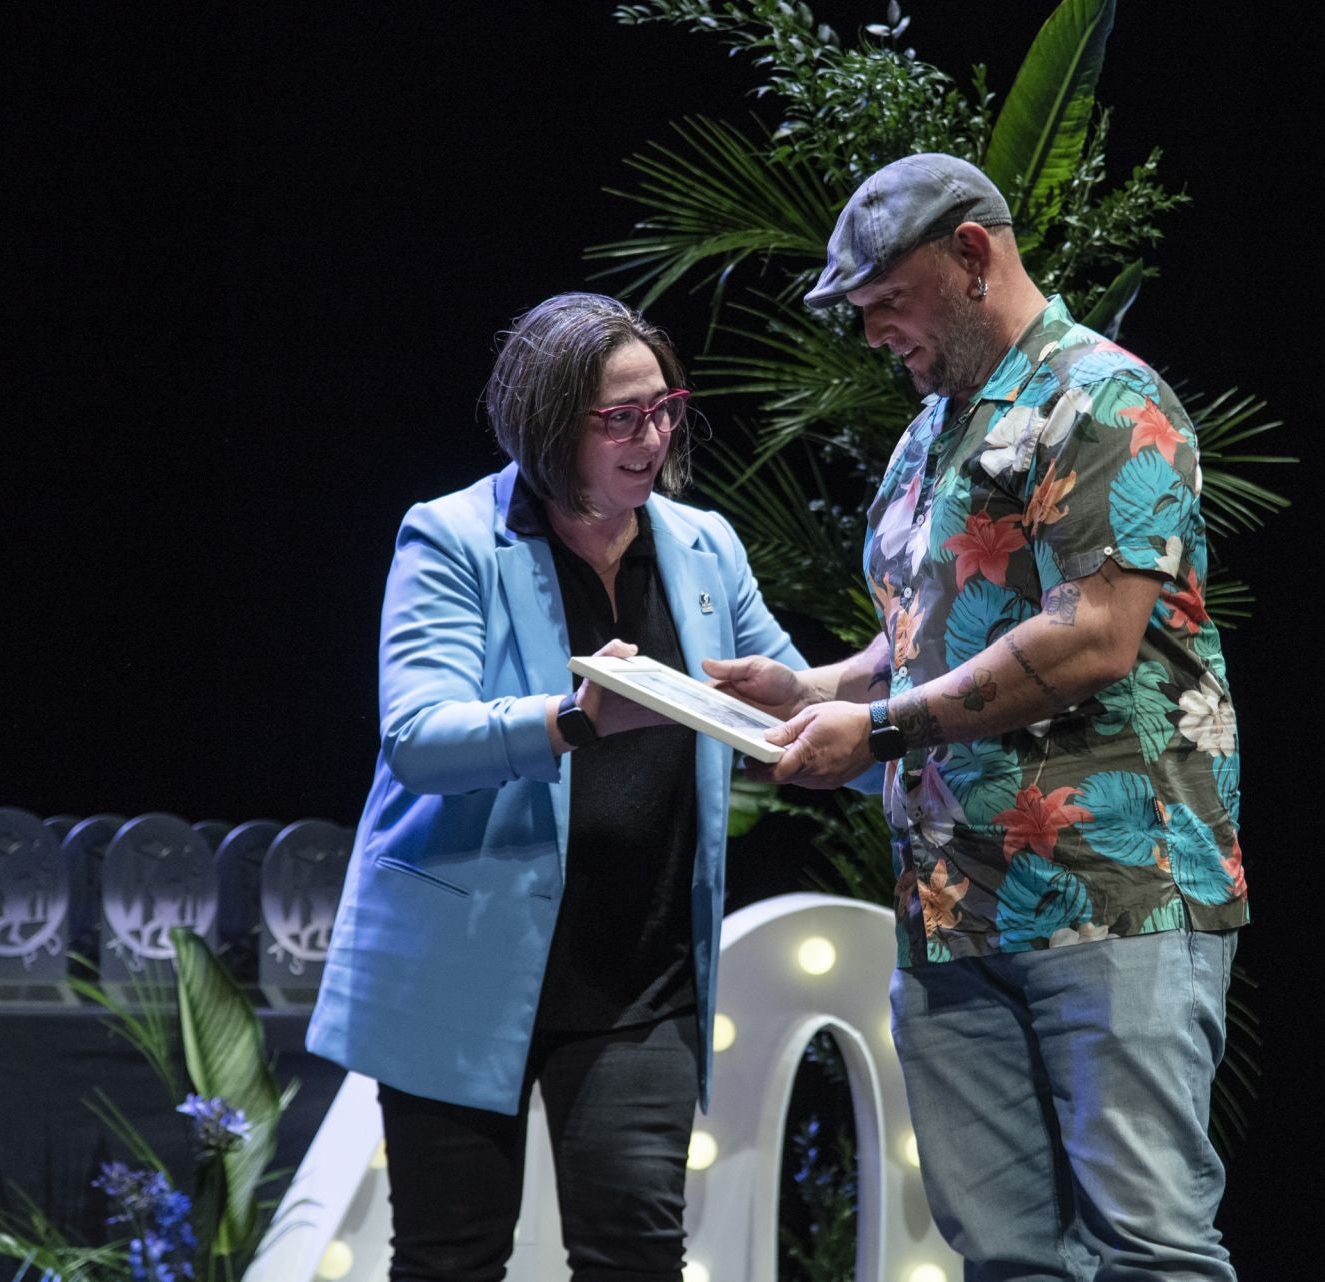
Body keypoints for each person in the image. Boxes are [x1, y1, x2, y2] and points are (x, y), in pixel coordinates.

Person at [705, 155, 1248, 1279]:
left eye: (883, 303)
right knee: (1003, 1256)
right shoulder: (931, 432)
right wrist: (809, 691)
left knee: (1149, 1246)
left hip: (1112, 891)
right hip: (955, 911)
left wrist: (886, 728)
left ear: (970, 254)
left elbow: (1090, 634)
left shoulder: (1105, 398)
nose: (869, 336)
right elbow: (920, 637)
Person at [308, 292, 804, 1282]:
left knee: (635, 1255)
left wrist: (824, 693)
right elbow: (418, 737)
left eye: (665, 407)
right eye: (619, 416)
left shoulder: (705, 548)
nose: (652, 435)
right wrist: (572, 720)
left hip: (641, 975)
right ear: (546, 422)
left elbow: (786, 697)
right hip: (462, 961)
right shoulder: (450, 537)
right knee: (451, 1259)